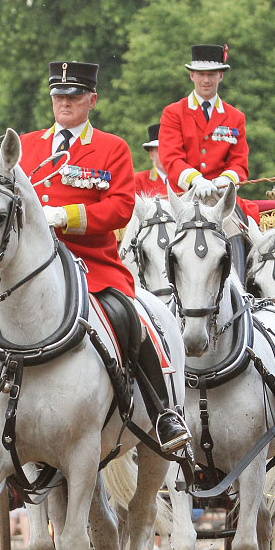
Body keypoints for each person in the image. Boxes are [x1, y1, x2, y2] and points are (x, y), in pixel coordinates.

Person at [18, 60, 190, 453]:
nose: (65, 102)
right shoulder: (26, 146)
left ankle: (162, 411)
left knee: (130, 318)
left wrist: (67, 216)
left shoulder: (112, 148)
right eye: (59, 95)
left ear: (91, 100)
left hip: (90, 263)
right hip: (28, 266)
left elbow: (119, 209)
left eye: (75, 95)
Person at [158, 43, 260, 226]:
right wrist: (195, 180)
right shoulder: (173, 112)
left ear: (220, 76)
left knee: (245, 231)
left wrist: (224, 183)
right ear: (192, 75)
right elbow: (171, 158)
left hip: (222, 199)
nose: (206, 80)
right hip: (184, 198)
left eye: (211, 74)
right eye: (201, 74)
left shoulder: (235, 117)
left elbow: (239, 163)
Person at [134, 123, 169, 197]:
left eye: (168, 149)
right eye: (159, 151)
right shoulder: (139, 180)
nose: (165, 155)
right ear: (151, 154)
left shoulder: (184, 181)